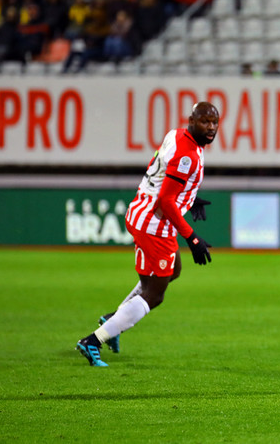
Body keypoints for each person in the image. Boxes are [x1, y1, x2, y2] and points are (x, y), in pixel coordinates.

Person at [75, 102, 220, 367]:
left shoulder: (176, 135)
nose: (210, 128)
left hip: (142, 212)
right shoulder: (188, 154)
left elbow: (164, 175)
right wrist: (192, 237)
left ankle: (112, 321)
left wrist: (190, 198)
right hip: (154, 224)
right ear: (191, 121)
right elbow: (166, 200)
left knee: (171, 271)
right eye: (204, 122)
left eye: (214, 122)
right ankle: (93, 340)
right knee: (155, 294)